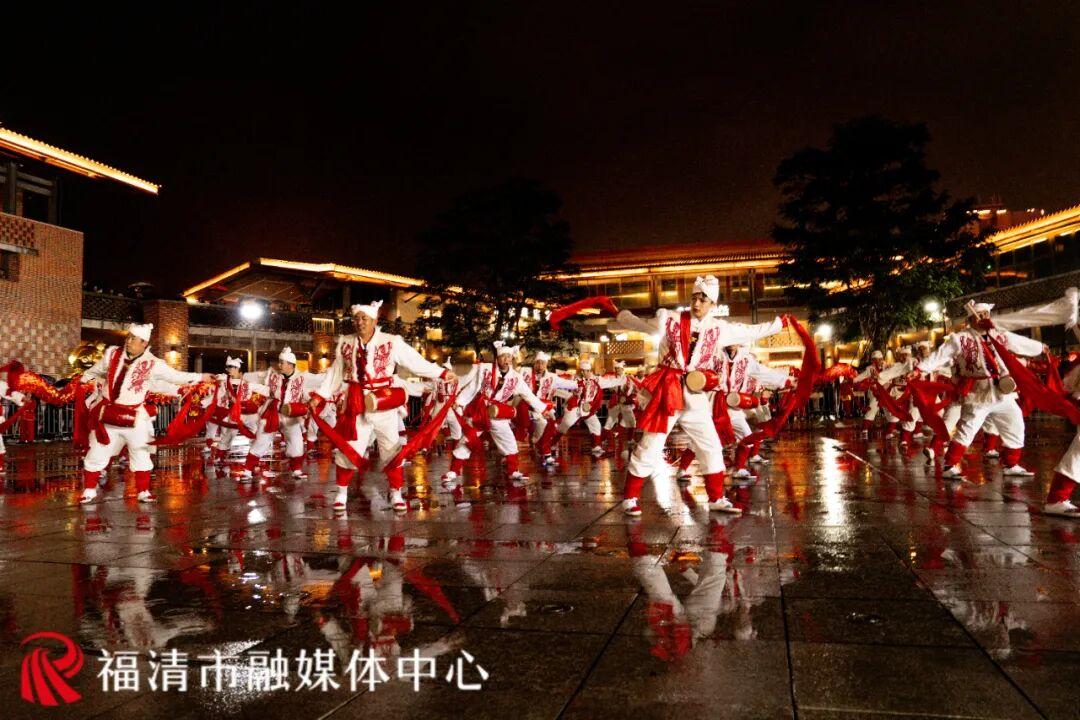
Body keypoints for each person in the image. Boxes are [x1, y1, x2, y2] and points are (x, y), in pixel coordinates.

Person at [612, 275, 786, 516]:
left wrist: (779, 324)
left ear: (713, 304)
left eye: (703, 300)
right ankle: (630, 497)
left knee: (710, 445)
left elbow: (749, 331)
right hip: (668, 390)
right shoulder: (670, 319)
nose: (697, 304)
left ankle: (715, 497)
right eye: (694, 298)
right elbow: (643, 325)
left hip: (695, 394)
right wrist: (623, 316)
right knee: (651, 443)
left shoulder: (719, 328)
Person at [310, 301, 452, 512]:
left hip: (383, 402)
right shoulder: (346, 342)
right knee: (349, 449)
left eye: (364, 318)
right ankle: (341, 492)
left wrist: (441, 373)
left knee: (391, 448)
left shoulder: (391, 341)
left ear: (375, 320)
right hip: (355, 403)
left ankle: (395, 492)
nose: (359, 322)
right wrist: (320, 395)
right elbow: (336, 372)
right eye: (356, 318)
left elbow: (414, 361)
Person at [79, 323, 212, 504]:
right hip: (108, 413)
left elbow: (175, 376)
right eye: (129, 337)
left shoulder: (153, 363)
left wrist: (200, 377)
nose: (129, 342)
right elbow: (98, 369)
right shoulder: (112, 353)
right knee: (97, 450)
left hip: (136, 416)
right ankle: (88, 489)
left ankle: (143, 491)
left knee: (141, 451)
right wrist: (85, 376)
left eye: (134, 339)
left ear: (144, 343)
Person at [916, 303, 1044, 478]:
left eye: (986, 314)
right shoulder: (959, 338)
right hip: (978, 394)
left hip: (1002, 393)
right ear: (970, 319)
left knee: (1015, 424)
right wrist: (921, 368)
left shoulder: (998, 335)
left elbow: (1018, 343)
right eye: (980, 314)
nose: (983, 317)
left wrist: (1040, 347)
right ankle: (948, 466)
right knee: (967, 429)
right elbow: (940, 356)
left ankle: (1011, 464)